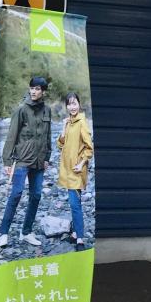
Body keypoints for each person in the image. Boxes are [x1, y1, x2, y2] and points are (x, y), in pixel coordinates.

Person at [0, 75, 52, 249]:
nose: (34, 91)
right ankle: (3, 234)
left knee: (36, 195)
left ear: (43, 92)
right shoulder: (21, 109)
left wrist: (47, 158)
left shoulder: (47, 110)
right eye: (32, 88)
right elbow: (11, 136)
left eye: (37, 89)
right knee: (16, 194)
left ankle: (26, 232)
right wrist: (7, 161)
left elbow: (48, 135)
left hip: (39, 161)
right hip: (22, 160)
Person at [57, 91, 93, 250]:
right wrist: (64, 127)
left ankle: (80, 239)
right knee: (74, 203)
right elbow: (60, 144)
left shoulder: (82, 122)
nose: (72, 107)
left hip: (77, 169)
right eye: (69, 104)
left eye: (74, 103)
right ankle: (75, 234)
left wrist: (82, 163)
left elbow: (89, 148)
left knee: (75, 204)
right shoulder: (69, 122)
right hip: (67, 169)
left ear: (79, 104)